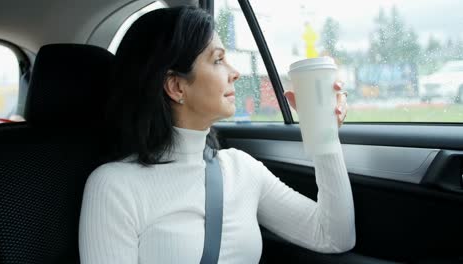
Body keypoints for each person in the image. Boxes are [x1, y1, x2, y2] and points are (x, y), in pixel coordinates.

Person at [78, 6, 355, 264]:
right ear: (176, 87)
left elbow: (333, 236)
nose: (235, 73)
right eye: (218, 60)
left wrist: (323, 132)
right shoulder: (114, 187)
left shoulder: (241, 169)